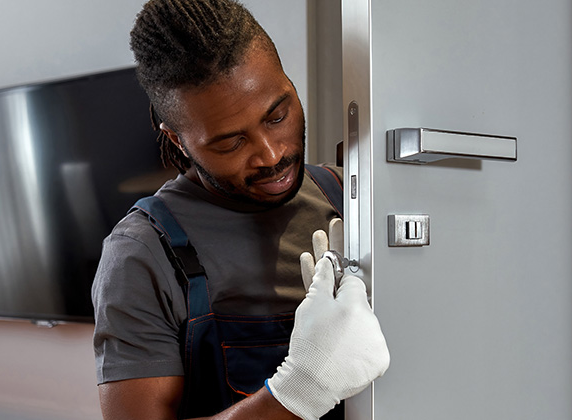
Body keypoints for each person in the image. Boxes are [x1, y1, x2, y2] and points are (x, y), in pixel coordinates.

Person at [91, 1, 389, 419]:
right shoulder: (142, 255)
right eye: (231, 142)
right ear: (178, 141)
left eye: (277, 116)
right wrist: (299, 391)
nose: (272, 154)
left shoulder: (347, 195)